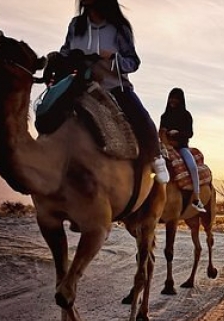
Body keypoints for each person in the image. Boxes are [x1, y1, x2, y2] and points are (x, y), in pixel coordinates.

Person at [59, 0, 168, 184]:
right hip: (79, 85)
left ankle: (157, 158)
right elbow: (65, 51)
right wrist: (62, 59)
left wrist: (113, 57)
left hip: (114, 86)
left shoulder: (119, 28)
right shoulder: (76, 25)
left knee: (140, 116)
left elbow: (133, 62)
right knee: (50, 111)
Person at [160, 88, 206, 213]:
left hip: (181, 147)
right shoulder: (164, 116)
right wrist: (164, 138)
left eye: (175, 98)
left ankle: (196, 196)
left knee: (192, 166)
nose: (172, 101)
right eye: (171, 98)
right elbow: (161, 131)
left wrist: (178, 133)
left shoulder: (186, 115)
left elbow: (190, 133)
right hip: (165, 146)